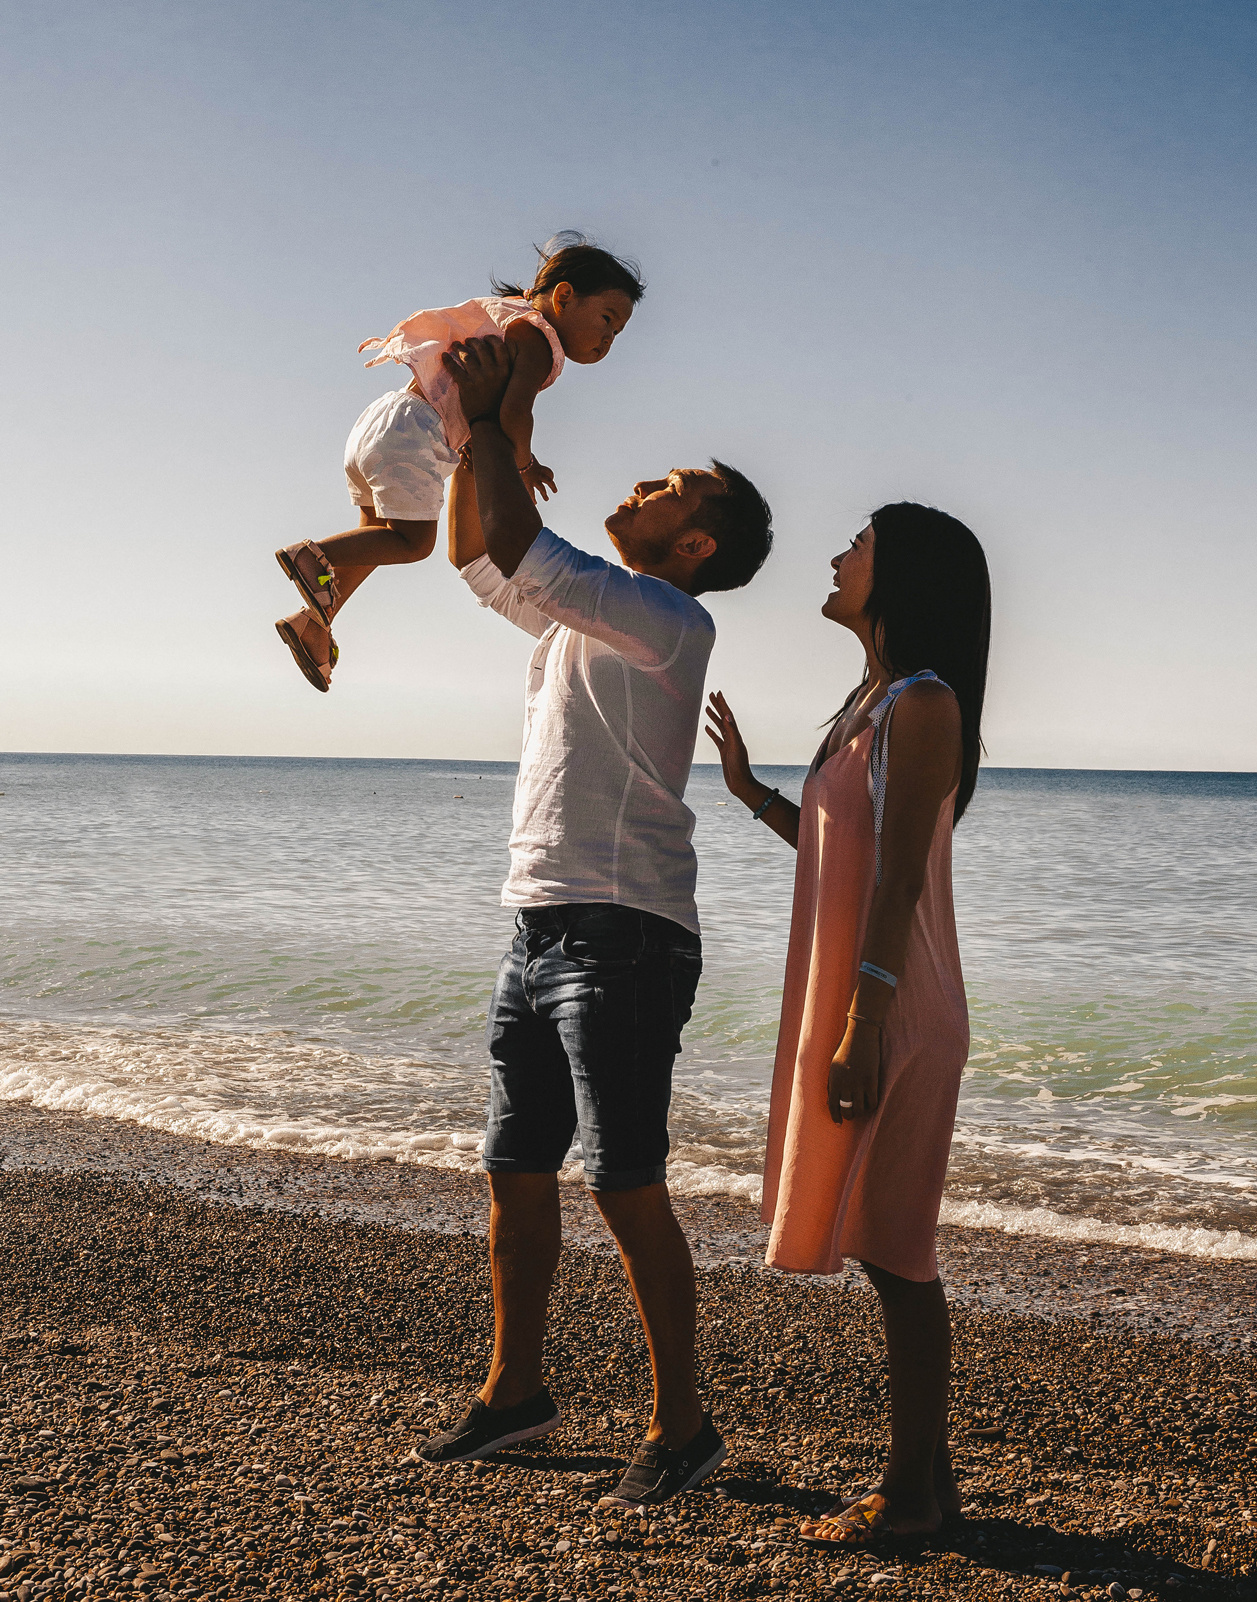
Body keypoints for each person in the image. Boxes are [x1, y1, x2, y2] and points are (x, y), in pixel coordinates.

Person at [413, 333, 773, 1510]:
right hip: (537, 927)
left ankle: (686, 1425)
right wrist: (489, 433)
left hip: (625, 932)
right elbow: (479, 552)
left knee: (625, 1181)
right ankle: (517, 1391)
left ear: (695, 545)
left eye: (667, 490)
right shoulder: (588, 614)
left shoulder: (670, 621)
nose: (639, 487)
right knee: (514, 1170)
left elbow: (519, 541)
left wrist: (501, 414)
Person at [705, 503, 991, 1550]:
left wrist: (864, 1022)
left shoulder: (922, 704)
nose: (836, 558)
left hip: (899, 1004)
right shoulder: (871, 701)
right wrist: (750, 796)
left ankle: (909, 1499)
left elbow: (904, 876)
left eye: (859, 546)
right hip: (870, 994)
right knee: (885, 1245)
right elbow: (843, 855)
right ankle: (932, 1485)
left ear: (901, 575)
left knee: (899, 1250)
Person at [272, 236, 643, 691]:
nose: (608, 339)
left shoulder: (506, 314)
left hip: (384, 419)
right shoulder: (542, 343)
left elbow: (498, 411)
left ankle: (312, 624)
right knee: (412, 542)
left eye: (617, 334)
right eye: (607, 321)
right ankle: (314, 554)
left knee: (375, 539)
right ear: (564, 296)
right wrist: (524, 467)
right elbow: (513, 413)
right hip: (419, 435)